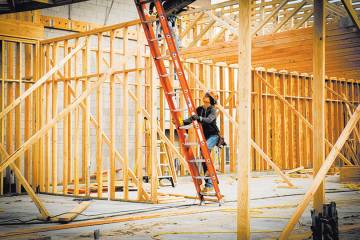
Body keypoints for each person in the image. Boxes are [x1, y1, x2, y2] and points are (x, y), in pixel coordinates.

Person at [182, 91, 219, 194]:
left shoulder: (212, 110)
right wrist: (182, 122)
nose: (206, 99)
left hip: (213, 135)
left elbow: (209, 120)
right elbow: (191, 119)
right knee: (204, 159)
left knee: (205, 149)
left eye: (208, 97)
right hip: (204, 137)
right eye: (206, 97)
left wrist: (199, 118)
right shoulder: (199, 109)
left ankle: (210, 173)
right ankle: (209, 184)